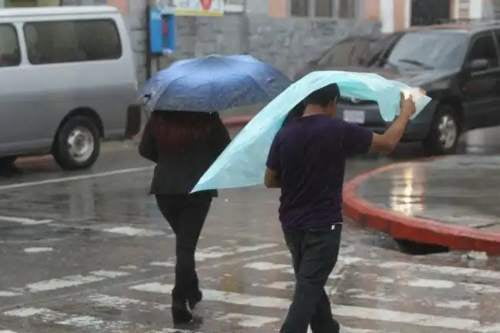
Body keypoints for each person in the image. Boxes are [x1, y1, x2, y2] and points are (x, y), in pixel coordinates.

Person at [265, 84, 416, 333]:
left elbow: (270, 180)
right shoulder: (336, 129)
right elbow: (387, 143)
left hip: (291, 226)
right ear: (332, 102)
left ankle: (327, 328)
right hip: (323, 227)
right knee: (307, 290)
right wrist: (405, 113)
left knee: (309, 284)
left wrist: (298, 177)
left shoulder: (285, 133)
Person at [139, 111, 230, 325]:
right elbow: (224, 148)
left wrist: (169, 160)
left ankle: (192, 288)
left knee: (184, 243)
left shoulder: (160, 116)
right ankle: (179, 299)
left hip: (165, 189)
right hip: (197, 189)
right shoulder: (208, 116)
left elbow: (145, 149)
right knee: (186, 247)